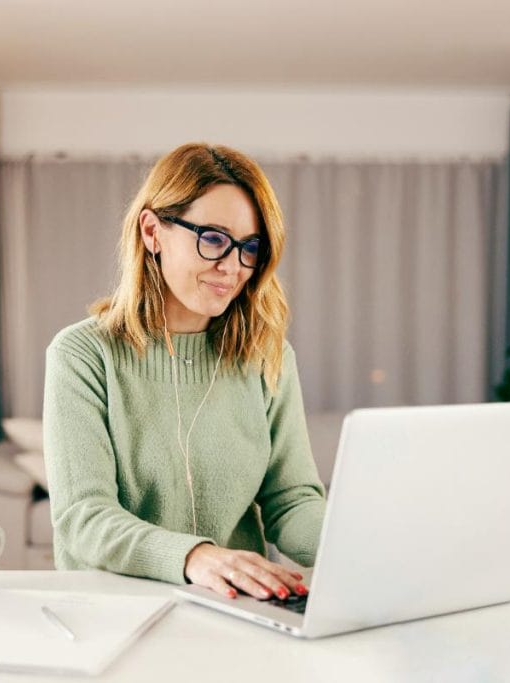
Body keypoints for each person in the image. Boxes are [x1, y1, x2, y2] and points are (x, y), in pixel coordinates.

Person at [43, 143, 325, 601]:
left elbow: (291, 500)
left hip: (240, 609)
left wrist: (362, 544)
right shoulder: (83, 355)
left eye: (249, 247)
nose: (233, 266)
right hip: (114, 612)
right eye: (213, 238)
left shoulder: (266, 355)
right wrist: (196, 557)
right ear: (152, 231)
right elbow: (84, 516)